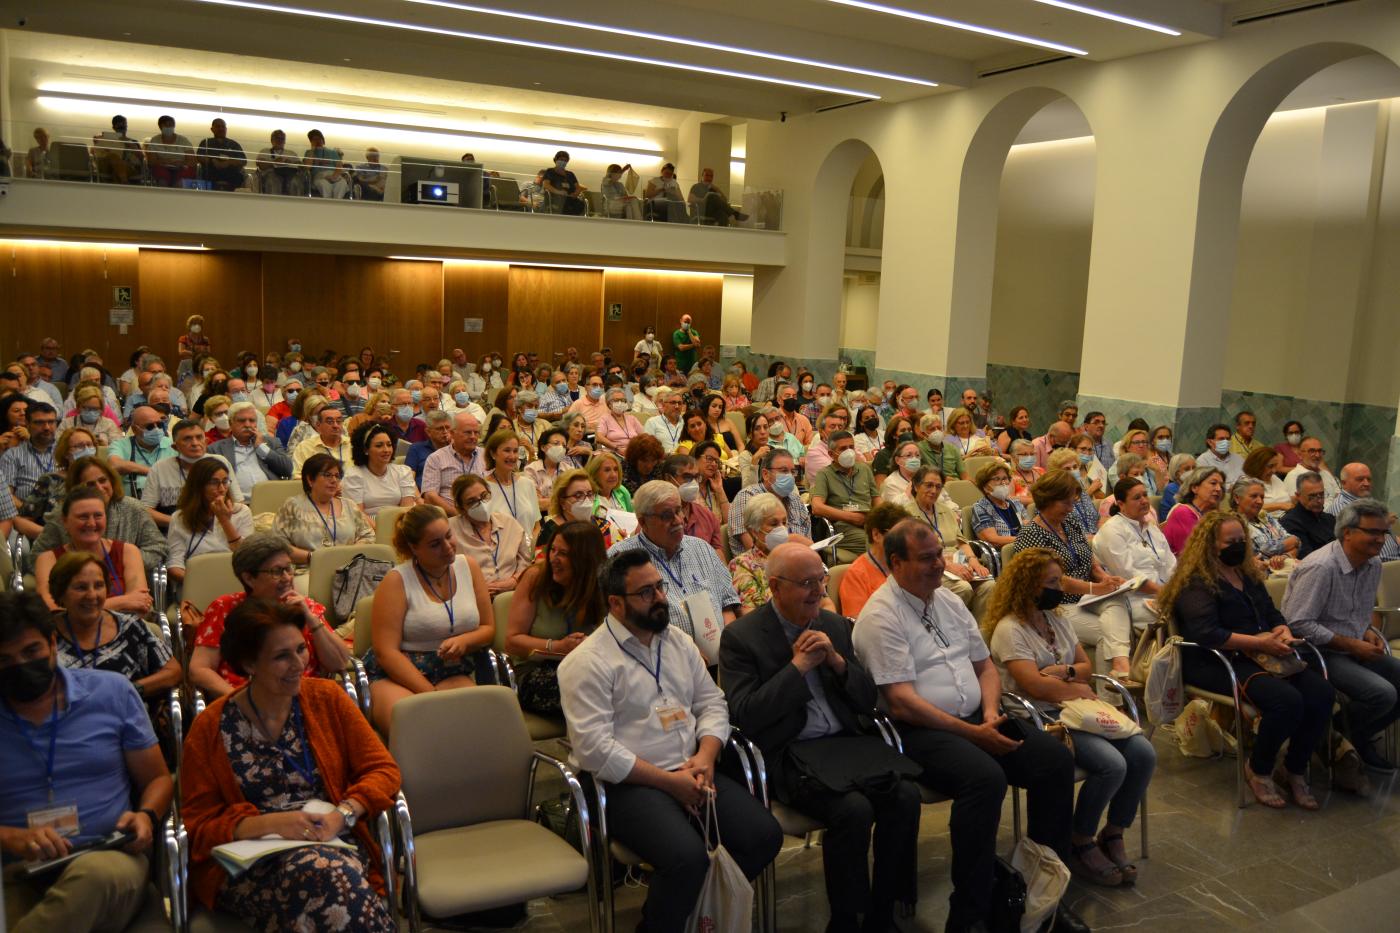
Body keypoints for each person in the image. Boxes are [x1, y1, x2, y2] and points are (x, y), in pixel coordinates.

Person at [851, 521, 1082, 933]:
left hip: (979, 717)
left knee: (1053, 761)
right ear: (896, 562)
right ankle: (971, 910)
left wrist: (991, 712)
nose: (940, 564)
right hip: (918, 731)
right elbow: (902, 702)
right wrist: (972, 735)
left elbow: (984, 666)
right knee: (985, 778)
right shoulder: (881, 615)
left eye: (940, 554)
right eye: (927, 558)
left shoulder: (949, 602)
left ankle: (1043, 891)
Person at [558, 549, 782, 932]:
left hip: (694, 769)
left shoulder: (676, 640)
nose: (661, 598)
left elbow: (712, 703)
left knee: (764, 836)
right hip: (629, 785)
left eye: (660, 586)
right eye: (646, 592)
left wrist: (707, 757)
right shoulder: (586, 662)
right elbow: (595, 750)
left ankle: (698, 916)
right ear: (615, 603)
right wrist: (670, 783)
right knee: (686, 859)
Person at [721, 541, 920, 930]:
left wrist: (837, 662)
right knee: (854, 809)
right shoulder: (742, 637)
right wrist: (797, 668)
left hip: (846, 745)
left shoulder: (832, 626)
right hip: (789, 753)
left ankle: (883, 912)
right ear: (775, 587)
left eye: (822, 580)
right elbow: (746, 715)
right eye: (806, 583)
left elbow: (867, 701)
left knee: (905, 796)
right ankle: (847, 918)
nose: (818, 591)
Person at [180, 599, 400, 930]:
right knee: (325, 877)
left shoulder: (327, 698)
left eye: (301, 649)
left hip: (333, 841)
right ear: (249, 663)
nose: (299, 664)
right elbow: (197, 825)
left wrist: (343, 814)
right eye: (282, 656)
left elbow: (383, 770)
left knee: (324, 878)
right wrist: (272, 824)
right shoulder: (211, 727)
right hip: (250, 865)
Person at [0, 591, 173, 933]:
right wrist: (10, 838)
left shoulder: (111, 692)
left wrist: (146, 815)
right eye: (5, 661)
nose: (21, 665)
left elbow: (159, 779)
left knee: (93, 878)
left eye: (31, 651)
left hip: (108, 856)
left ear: (52, 644)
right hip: (19, 868)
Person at [985, 548, 1155, 886]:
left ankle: (1114, 832)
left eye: (1059, 580)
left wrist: (1061, 672)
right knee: (1113, 765)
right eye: (1051, 582)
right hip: (1042, 718)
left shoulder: (1057, 619)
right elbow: (1033, 685)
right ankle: (1081, 840)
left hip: (1077, 709)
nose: (1058, 588)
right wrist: (1073, 684)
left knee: (1144, 754)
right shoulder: (1009, 628)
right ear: (1027, 585)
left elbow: (1086, 668)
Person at [1159, 511, 1333, 809]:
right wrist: (1260, 642)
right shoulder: (1195, 582)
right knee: (1286, 701)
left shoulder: (1245, 573)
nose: (1238, 546)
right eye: (1231, 541)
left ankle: (1293, 767)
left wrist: (1281, 630)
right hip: (1215, 660)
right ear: (1211, 544)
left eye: (1242, 540)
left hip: (1260, 653)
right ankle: (1259, 768)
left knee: (1322, 693)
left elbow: (1271, 612)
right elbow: (1207, 634)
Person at [1284, 496, 1400, 773]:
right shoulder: (1321, 567)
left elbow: (1359, 610)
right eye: (1373, 532)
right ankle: (1336, 736)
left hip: (1351, 645)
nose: (1381, 540)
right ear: (1347, 533)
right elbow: (1298, 623)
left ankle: (1347, 735)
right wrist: (1351, 643)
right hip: (1318, 652)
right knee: (1382, 694)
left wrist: (1367, 631)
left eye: (1384, 532)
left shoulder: (1372, 564)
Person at [364, 505, 493, 734]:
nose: (447, 548)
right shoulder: (396, 581)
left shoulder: (468, 567)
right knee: (416, 729)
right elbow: (386, 652)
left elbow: (488, 628)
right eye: (435, 544)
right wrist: (430, 695)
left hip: (450, 667)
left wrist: (465, 641)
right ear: (414, 548)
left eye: (448, 536)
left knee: (470, 729)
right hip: (399, 671)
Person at [50, 552, 182, 756]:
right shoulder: (44, 636)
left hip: (129, 735)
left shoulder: (130, 627)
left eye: (99, 586)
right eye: (80, 587)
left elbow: (173, 671)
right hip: (66, 738)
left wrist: (128, 690)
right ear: (61, 594)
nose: (92, 595)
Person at [188, 531, 350, 698]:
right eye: (277, 571)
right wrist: (238, 700)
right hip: (245, 700)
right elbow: (199, 669)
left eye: (289, 568)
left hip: (303, 698)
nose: (287, 577)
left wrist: (310, 618)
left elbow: (339, 663)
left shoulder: (304, 606)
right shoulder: (225, 608)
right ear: (249, 578)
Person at [1012, 470, 1135, 685]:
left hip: (1087, 599)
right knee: (1107, 634)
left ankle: (1120, 671)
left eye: (1072, 503)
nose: (1071, 508)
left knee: (1118, 600)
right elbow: (1052, 581)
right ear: (1048, 500)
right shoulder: (1031, 534)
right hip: (1055, 604)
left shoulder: (1071, 524)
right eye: (1066, 503)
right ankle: (1113, 696)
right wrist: (1095, 588)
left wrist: (1106, 579)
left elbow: (1089, 560)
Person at [608, 481, 742, 638]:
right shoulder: (620, 558)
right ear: (643, 521)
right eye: (666, 516)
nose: (678, 520)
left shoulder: (702, 548)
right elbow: (621, 627)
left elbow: (727, 606)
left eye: (679, 511)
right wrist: (682, 651)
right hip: (662, 656)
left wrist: (726, 648)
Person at [504, 520, 608, 715]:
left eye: (564, 554)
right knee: (593, 693)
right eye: (553, 550)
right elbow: (512, 642)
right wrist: (558, 647)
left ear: (585, 559)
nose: (554, 559)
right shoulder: (536, 578)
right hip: (536, 670)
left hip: (589, 668)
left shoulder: (602, 583)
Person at [31, 457, 168, 576]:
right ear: (76, 488)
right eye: (90, 484)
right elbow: (36, 557)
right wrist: (73, 572)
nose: (100, 488)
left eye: (103, 480)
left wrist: (126, 564)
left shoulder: (134, 508)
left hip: (126, 582)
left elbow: (158, 547)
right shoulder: (61, 514)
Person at [35, 487, 152, 615]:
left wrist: (75, 609)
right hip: (69, 632)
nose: (91, 523)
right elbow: (51, 609)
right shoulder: (48, 559)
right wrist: (123, 602)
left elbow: (141, 603)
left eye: (98, 516)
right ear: (65, 521)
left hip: (123, 629)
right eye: (83, 517)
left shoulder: (128, 551)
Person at [1092, 477, 1176, 628]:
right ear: (1121, 504)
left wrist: (1177, 588)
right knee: (1185, 612)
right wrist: (1166, 593)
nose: (1144, 501)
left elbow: (1172, 564)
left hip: (1165, 592)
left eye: (1145, 495)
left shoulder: (1151, 528)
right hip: (1132, 598)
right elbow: (1129, 577)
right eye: (1137, 498)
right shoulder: (1112, 531)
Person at [272, 453, 374, 575]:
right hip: (309, 571)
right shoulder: (292, 506)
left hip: (348, 571)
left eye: (337, 476)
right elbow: (278, 545)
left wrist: (348, 554)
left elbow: (368, 536)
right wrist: (313, 557)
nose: (334, 480)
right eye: (327, 475)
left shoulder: (349, 505)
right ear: (310, 479)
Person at [165, 458, 253, 582]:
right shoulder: (180, 518)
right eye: (214, 482)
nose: (222, 489)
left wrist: (225, 521)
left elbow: (247, 558)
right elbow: (175, 564)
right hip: (195, 581)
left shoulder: (241, 512)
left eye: (225, 481)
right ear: (198, 485)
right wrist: (197, 584)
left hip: (235, 581)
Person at [447, 473, 533, 596]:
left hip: (513, 594)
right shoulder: (450, 531)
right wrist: (474, 589)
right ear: (461, 508)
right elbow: (444, 572)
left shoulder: (509, 523)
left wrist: (514, 580)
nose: (481, 504)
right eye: (472, 502)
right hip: (473, 599)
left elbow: (525, 560)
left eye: (484, 496)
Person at [728, 449, 812, 555]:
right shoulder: (747, 497)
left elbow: (809, 543)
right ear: (765, 474)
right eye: (784, 471)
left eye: (792, 471)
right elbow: (752, 548)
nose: (790, 476)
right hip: (758, 567)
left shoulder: (795, 500)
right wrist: (793, 540)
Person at [209, 401, 293, 504]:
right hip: (239, 505)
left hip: (273, 501)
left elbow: (287, 469)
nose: (247, 425)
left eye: (252, 420)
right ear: (231, 423)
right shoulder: (216, 449)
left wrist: (261, 447)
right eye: (241, 421)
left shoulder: (271, 442)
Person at [341, 422, 417, 521]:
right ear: (365, 449)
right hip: (367, 525)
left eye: (389, 445)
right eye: (379, 446)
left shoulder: (403, 471)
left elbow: (407, 509)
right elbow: (358, 514)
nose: (386, 450)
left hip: (400, 522)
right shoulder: (353, 475)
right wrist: (380, 531)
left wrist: (397, 531)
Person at [1327, 463, 1400, 561]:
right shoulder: (1342, 507)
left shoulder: (1367, 501)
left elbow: (1389, 535)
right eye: (1360, 479)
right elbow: (1357, 541)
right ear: (1344, 483)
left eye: (1369, 479)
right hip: (1376, 565)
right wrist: (1384, 522)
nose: (1366, 483)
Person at [0, 401, 58, 521]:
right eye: (39, 422)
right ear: (27, 424)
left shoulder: (66, 452)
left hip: (60, 517)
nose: (47, 427)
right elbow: (6, 494)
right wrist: (29, 511)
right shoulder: (12, 455)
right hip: (25, 517)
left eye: (51, 422)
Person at [421, 411, 486, 515]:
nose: (473, 437)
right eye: (468, 432)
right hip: (451, 517)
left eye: (476, 432)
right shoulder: (436, 458)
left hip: (485, 514)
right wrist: (459, 515)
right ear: (452, 433)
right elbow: (430, 496)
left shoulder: (486, 456)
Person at [1230, 476, 1299, 573]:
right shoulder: (1232, 523)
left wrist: (1283, 557)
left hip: (1283, 570)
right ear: (1237, 498)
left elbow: (1297, 545)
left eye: (1262, 497)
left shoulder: (1265, 516)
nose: (1260, 501)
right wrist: (1290, 542)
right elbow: (1261, 552)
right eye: (1254, 496)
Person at [483, 428, 542, 535]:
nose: (512, 456)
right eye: (507, 450)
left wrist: (530, 549)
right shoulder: (483, 488)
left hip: (528, 549)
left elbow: (536, 526)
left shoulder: (527, 484)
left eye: (515, 451)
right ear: (493, 454)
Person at [1161, 465, 1226, 555]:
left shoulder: (1213, 513)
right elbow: (1194, 553)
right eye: (1213, 483)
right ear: (1195, 488)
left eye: (1221, 485)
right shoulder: (1183, 512)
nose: (1219, 489)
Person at [971, 461, 1029, 549]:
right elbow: (992, 540)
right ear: (985, 486)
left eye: (1005, 478)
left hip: (1024, 548)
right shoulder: (981, 507)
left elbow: (1028, 528)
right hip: (1004, 554)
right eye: (997, 479)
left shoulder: (1015, 503)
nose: (1003, 483)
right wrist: (1025, 539)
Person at [1280, 472, 1336, 558]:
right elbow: (1308, 558)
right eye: (1312, 496)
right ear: (1298, 496)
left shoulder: (1329, 518)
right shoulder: (1290, 522)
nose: (1319, 501)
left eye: (1321, 494)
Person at [1282, 437, 1341, 508]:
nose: (1317, 455)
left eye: (1319, 451)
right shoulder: (1293, 476)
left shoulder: (1325, 473)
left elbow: (1338, 496)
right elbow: (1296, 506)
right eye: (1312, 451)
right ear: (1300, 454)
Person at [195, 118, 246, 190]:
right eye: (218, 126)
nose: (221, 129)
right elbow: (199, 157)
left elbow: (243, 161)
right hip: (211, 174)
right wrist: (212, 160)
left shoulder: (234, 144)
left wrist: (229, 162)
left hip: (231, 176)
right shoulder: (206, 142)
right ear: (212, 129)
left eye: (223, 127)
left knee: (239, 176)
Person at [406, 408, 452, 489]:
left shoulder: (456, 449)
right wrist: (418, 499)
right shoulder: (416, 449)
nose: (445, 431)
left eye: (447, 427)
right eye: (440, 428)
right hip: (423, 496)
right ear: (428, 432)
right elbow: (409, 479)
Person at [146, 114, 195, 186]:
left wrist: (181, 163)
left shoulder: (183, 140)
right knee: (162, 180)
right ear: (160, 127)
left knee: (180, 181)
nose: (169, 127)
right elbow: (151, 161)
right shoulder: (155, 140)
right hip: (161, 167)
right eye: (166, 125)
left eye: (171, 125)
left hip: (181, 167)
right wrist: (163, 162)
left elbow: (192, 161)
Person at [254, 128, 303, 195]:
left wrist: (291, 163)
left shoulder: (291, 153)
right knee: (274, 180)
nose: (279, 141)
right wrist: (273, 162)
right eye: (277, 138)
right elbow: (260, 165)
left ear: (284, 141)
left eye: (282, 139)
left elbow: (301, 166)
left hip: (290, 175)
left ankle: (293, 203)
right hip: (271, 174)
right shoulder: (265, 151)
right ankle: (274, 203)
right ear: (272, 140)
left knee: (295, 181)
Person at [1242, 446, 1291, 513]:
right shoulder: (1246, 482)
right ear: (1257, 465)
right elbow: (1247, 506)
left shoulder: (1274, 478)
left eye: (1275, 465)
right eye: (1270, 466)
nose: (1274, 470)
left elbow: (1287, 497)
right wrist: (1280, 505)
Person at [303, 128, 349, 198]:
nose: (317, 141)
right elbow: (307, 167)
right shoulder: (309, 153)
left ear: (323, 140)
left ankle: (336, 205)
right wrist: (312, 149)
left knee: (342, 184)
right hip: (320, 177)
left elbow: (339, 167)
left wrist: (333, 177)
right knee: (324, 185)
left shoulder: (332, 152)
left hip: (334, 175)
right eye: (314, 140)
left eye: (319, 139)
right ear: (311, 141)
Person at [643, 387, 688, 454]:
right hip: (662, 461)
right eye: (673, 403)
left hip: (685, 460)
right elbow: (647, 447)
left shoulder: (686, 422)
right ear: (663, 405)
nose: (677, 406)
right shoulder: (652, 422)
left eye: (679, 403)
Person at [541, 150, 585, 214]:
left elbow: (577, 187)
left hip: (569, 199)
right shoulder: (550, 171)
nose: (563, 162)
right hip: (555, 199)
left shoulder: (570, 174)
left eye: (565, 160)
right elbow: (546, 185)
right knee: (561, 203)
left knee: (580, 204)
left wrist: (575, 194)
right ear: (556, 160)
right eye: (561, 159)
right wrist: (558, 192)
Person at [1157, 452, 1196, 522]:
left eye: (1194, 468)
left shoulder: (1193, 487)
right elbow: (1187, 511)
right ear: (1177, 473)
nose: (1192, 471)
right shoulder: (1171, 488)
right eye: (1187, 469)